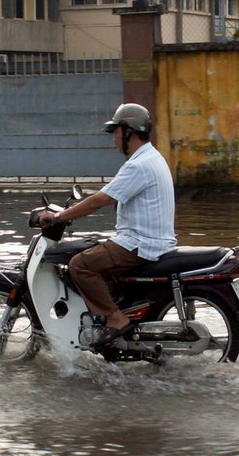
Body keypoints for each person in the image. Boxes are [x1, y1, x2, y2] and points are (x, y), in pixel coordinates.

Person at [41, 103, 176, 346]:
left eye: (116, 131)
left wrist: (61, 216)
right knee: (94, 253)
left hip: (139, 244)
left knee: (80, 265)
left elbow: (101, 200)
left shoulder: (138, 165)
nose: (114, 138)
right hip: (151, 240)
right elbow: (111, 193)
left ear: (129, 132)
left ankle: (115, 318)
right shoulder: (152, 158)